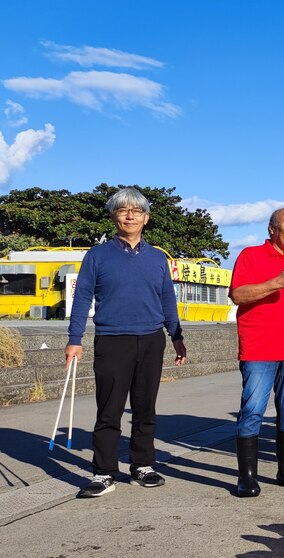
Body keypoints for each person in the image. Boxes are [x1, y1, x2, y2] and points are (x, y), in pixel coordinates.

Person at [66, 187, 187, 498]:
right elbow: (82, 299)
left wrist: (177, 336)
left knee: (146, 407)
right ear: (114, 216)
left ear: (146, 218)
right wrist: (74, 339)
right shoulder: (96, 255)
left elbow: (166, 300)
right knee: (109, 409)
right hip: (112, 339)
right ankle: (104, 472)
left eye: (136, 211)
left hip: (150, 340)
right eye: (123, 210)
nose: (130, 215)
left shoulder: (158, 258)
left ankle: (142, 465)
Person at [228, 207, 284, 497]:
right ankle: (247, 477)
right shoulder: (251, 255)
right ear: (272, 229)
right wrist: (275, 283)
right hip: (258, 348)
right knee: (252, 410)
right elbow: (237, 295)